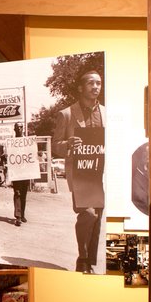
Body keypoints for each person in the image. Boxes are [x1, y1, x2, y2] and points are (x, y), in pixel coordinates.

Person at [52, 69, 106, 273]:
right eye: (91, 83)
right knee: (89, 214)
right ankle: (82, 257)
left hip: (100, 172)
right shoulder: (66, 114)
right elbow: (55, 145)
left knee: (98, 217)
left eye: (99, 83)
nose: (95, 87)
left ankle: (88, 263)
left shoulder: (107, 113)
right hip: (80, 172)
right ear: (81, 88)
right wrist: (68, 144)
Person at [10, 122, 29, 227]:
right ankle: (18, 216)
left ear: (23, 129)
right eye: (17, 128)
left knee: (24, 194)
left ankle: (22, 214)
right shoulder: (11, 142)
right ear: (14, 129)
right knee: (17, 193)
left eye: (21, 127)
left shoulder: (27, 142)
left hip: (26, 172)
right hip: (16, 173)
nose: (19, 129)